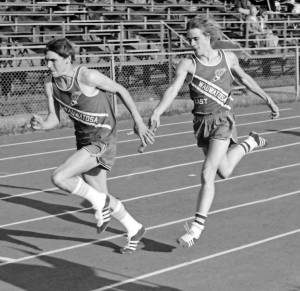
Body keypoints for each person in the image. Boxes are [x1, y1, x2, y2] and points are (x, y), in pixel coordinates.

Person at [149, 16, 279, 248]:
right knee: (224, 171)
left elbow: (245, 78)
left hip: (223, 120)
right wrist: (158, 111)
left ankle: (196, 228)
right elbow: (173, 88)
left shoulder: (227, 58)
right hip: (201, 123)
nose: (192, 44)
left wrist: (267, 97)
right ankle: (252, 141)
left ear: (208, 37)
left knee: (207, 173)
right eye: (189, 40)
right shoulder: (188, 64)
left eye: (196, 39)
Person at [30, 38, 155, 254]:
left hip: (103, 139)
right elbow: (54, 119)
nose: (48, 66)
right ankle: (134, 228)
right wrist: (43, 125)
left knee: (59, 177)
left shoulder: (88, 76)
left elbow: (121, 90)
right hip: (84, 140)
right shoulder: (50, 84)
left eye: (52, 61)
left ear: (68, 59)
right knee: (102, 194)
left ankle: (100, 205)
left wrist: (139, 121)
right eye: (46, 61)